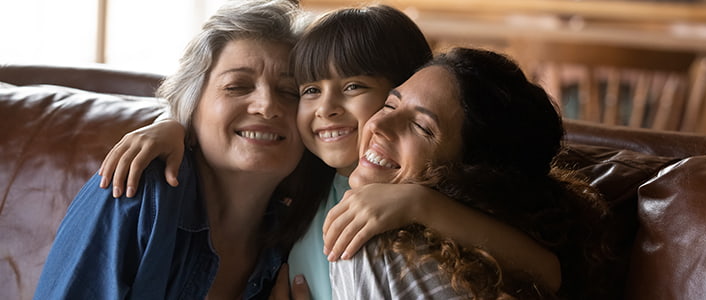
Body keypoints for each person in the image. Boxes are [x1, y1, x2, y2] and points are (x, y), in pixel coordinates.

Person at [97, 5, 563, 299]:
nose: (325, 109)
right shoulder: (304, 170)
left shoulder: (414, 196)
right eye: (309, 90)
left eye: (355, 86)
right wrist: (172, 124)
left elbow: (549, 272)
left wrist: (421, 203)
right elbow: (241, 136)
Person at [33, 1, 308, 299]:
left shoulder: (297, 238)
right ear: (191, 107)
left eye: (290, 91)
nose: (267, 105)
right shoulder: (135, 189)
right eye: (237, 86)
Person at [330, 47, 610, 299]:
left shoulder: (371, 241)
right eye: (391, 104)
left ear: (473, 174)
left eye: (422, 127)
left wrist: (418, 203)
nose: (379, 125)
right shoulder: (506, 255)